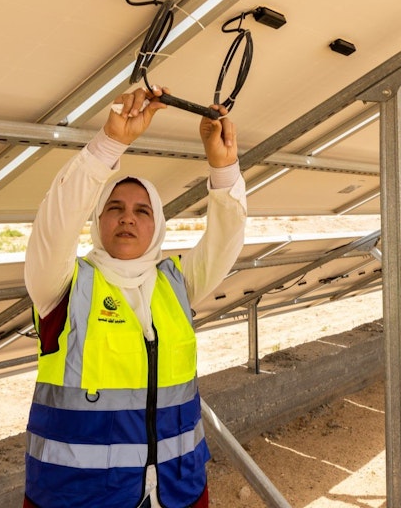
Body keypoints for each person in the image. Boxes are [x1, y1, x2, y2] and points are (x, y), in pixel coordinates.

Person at [22, 86, 247, 508]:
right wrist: (109, 145)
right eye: (115, 208)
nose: (128, 217)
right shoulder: (63, 287)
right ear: (98, 219)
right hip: (78, 497)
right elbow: (54, 225)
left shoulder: (176, 284)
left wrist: (223, 168)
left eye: (143, 211)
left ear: (157, 225)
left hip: (178, 491)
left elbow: (226, 240)